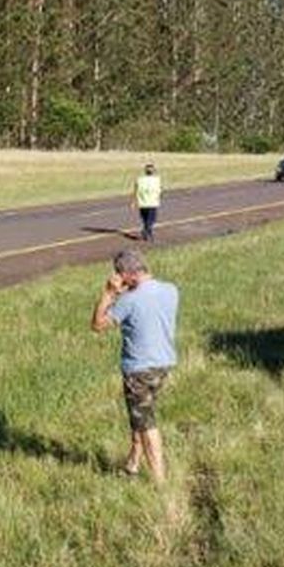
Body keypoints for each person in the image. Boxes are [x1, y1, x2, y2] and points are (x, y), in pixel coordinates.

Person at [91, 249, 179, 483]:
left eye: (119, 274)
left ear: (128, 275)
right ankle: (133, 463)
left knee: (147, 423)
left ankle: (160, 481)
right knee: (140, 415)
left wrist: (109, 294)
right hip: (164, 364)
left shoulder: (128, 301)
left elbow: (98, 325)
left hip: (138, 370)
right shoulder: (171, 290)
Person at [132, 163, 162, 242]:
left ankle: (147, 234)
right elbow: (160, 190)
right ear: (153, 171)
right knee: (151, 220)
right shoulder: (157, 179)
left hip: (142, 203)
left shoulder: (139, 179)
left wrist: (134, 201)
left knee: (145, 220)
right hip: (152, 203)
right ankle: (146, 232)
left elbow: (135, 190)